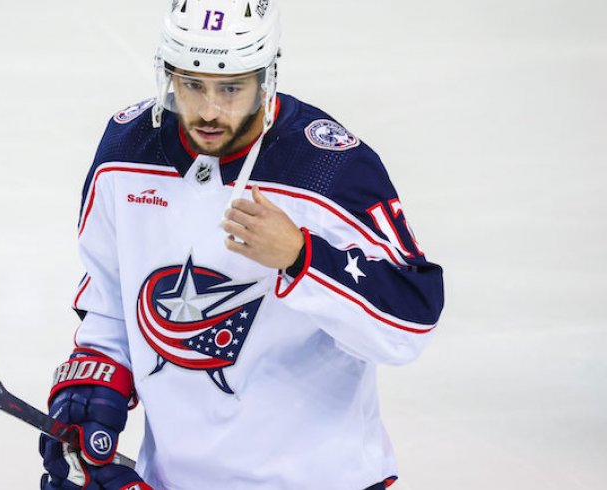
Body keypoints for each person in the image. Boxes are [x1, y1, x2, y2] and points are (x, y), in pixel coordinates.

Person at [39, 1, 445, 489]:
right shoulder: (125, 155)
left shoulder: (327, 169)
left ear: (266, 76)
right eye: (191, 85)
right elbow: (111, 299)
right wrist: (93, 394)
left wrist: (301, 258)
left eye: (231, 88)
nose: (209, 111)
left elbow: (410, 326)